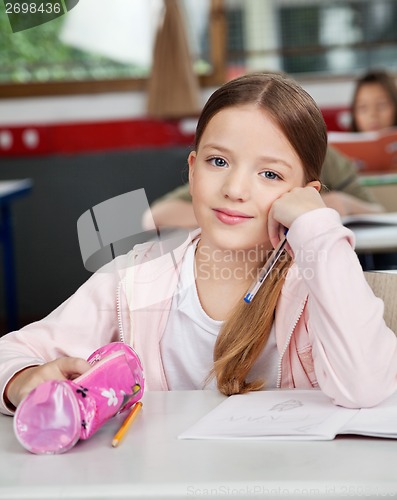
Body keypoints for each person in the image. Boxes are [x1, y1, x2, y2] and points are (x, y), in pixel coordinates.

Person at [1, 73, 396, 416]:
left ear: (304, 196)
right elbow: (11, 352)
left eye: (270, 174)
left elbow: (366, 385)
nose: (235, 189)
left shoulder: (318, 286)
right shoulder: (133, 282)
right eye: (218, 162)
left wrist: (318, 226)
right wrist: (22, 382)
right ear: (192, 172)